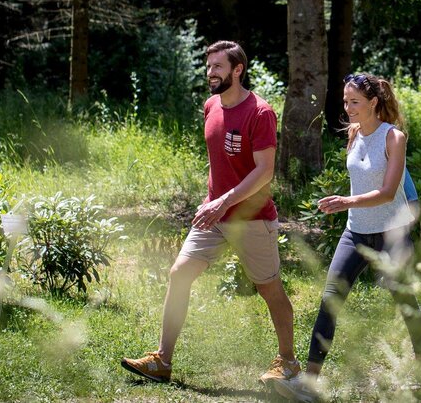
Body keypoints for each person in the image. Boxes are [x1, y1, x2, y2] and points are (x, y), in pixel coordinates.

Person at [121, 41, 300, 385]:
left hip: (252, 217)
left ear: (237, 70)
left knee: (270, 289)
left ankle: (288, 361)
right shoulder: (211, 106)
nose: (211, 73)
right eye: (209, 67)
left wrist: (224, 201)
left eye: (218, 66)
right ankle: (162, 361)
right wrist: (212, 200)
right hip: (215, 216)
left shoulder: (260, 112)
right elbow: (219, 162)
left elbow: (265, 171)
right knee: (180, 273)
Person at [273, 72, 421, 402]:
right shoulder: (355, 133)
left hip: (391, 236)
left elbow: (388, 193)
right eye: (345, 101)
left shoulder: (394, 138)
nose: (347, 108)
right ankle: (310, 384)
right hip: (355, 231)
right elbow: (361, 182)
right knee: (330, 302)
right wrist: (348, 205)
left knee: (405, 303)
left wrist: (345, 201)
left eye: (354, 102)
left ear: (374, 102)